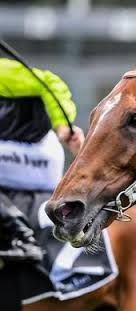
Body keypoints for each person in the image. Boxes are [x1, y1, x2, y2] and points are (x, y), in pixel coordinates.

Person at [0, 58, 84, 264]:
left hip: (35, 154)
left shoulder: (4, 72)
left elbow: (50, 83)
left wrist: (63, 124)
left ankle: (21, 237)